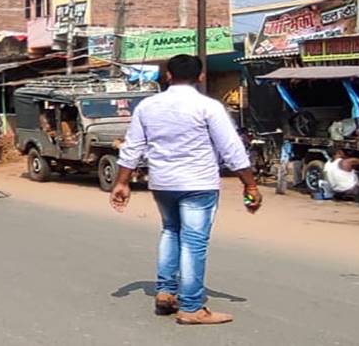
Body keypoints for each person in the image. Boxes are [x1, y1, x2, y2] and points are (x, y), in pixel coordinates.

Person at [110, 54, 261, 326]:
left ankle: (166, 292)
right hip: (198, 184)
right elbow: (231, 148)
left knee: (170, 231)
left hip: (162, 183)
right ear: (200, 77)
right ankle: (191, 306)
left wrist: (121, 182)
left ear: (168, 75)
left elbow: (132, 147)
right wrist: (249, 185)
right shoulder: (208, 107)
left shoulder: (148, 106)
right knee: (193, 242)